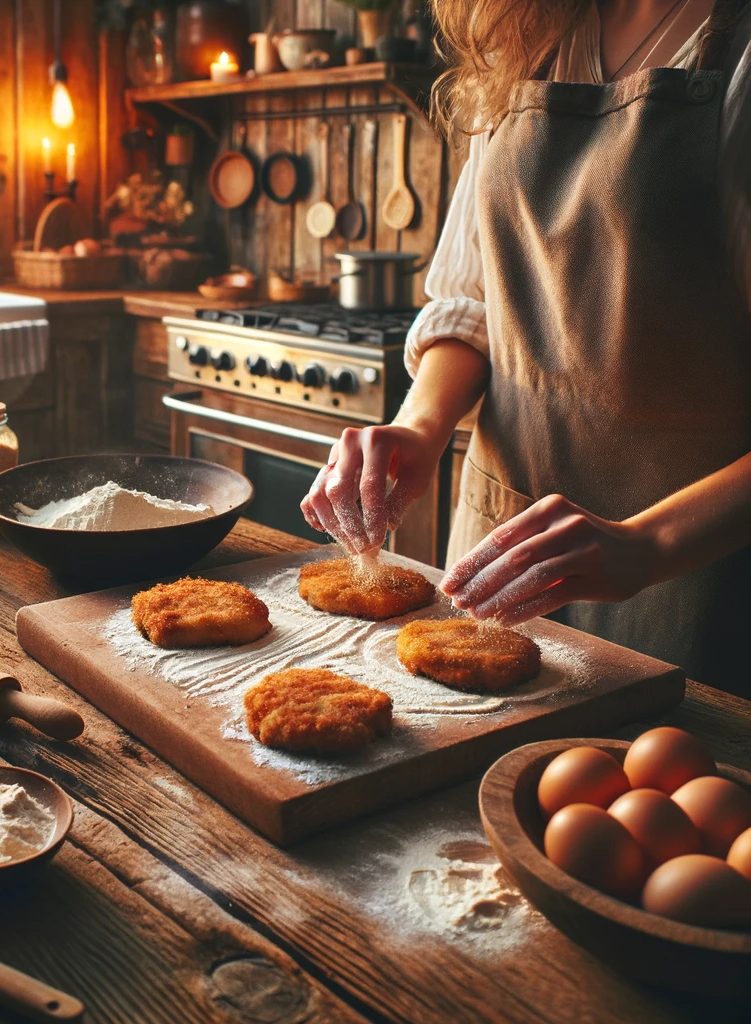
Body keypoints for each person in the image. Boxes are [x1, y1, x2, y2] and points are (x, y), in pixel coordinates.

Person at [301, 0, 751, 693]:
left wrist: (647, 544)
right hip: (495, 552)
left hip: (687, 583)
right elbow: (476, 301)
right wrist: (419, 427)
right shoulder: (529, 36)